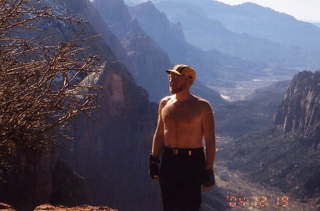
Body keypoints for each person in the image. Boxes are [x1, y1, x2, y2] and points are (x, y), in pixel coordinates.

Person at [149, 64, 216, 211]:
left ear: (189, 81)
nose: (171, 81)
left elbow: (210, 141)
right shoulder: (164, 103)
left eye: (176, 78)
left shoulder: (203, 107)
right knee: (169, 204)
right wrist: (153, 160)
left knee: (191, 205)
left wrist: (208, 169)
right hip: (169, 160)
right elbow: (159, 134)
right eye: (170, 78)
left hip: (192, 162)